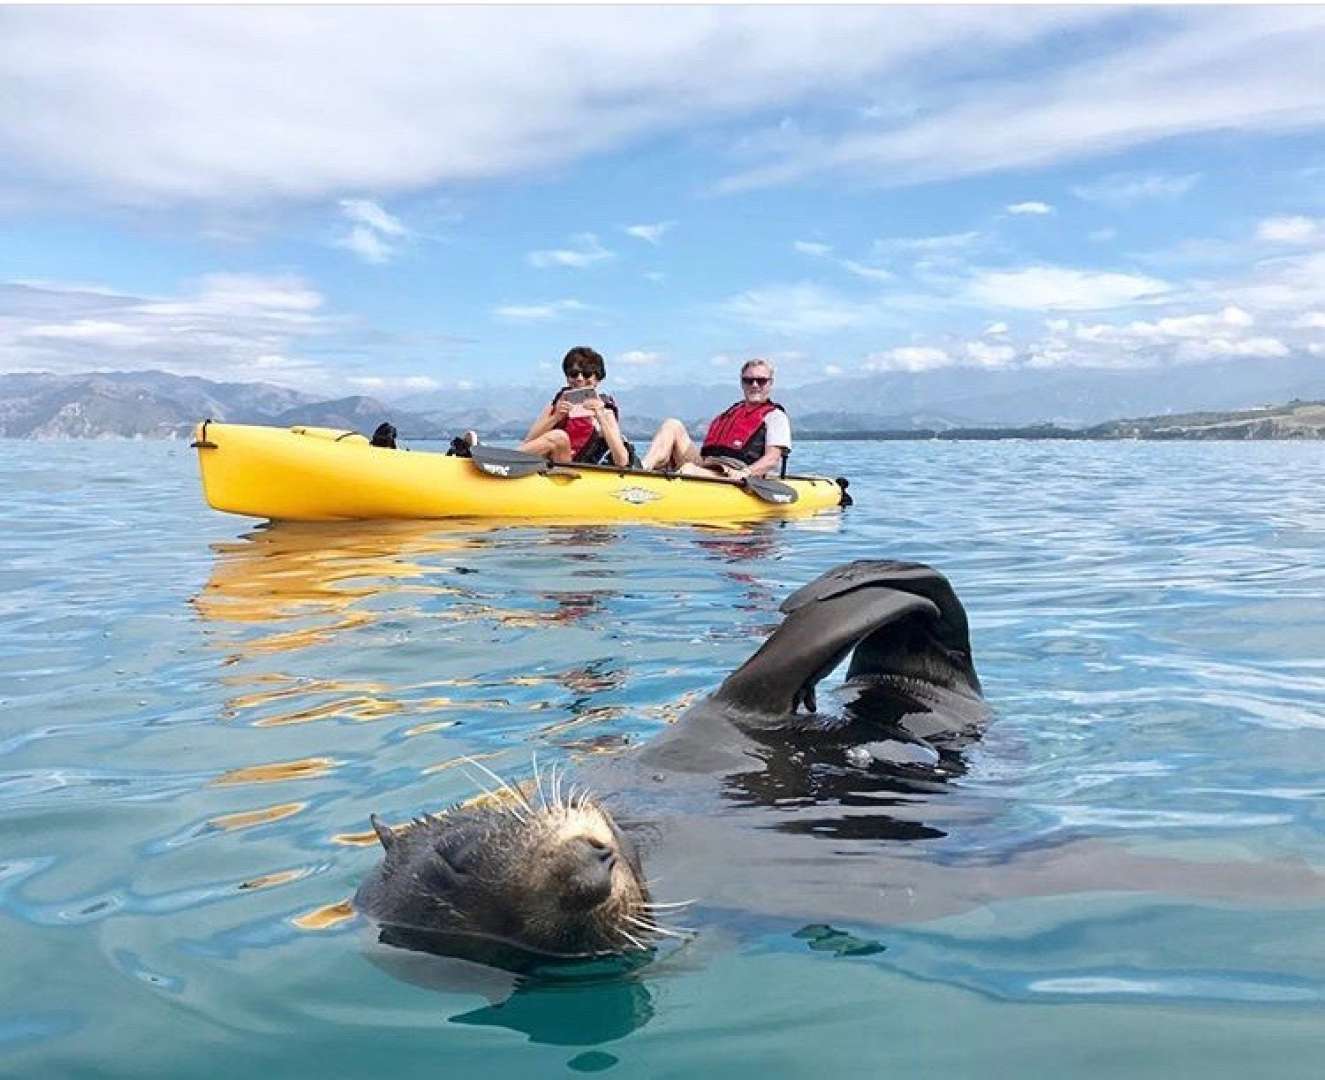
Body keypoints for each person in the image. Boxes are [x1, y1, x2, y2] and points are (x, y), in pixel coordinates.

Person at [640, 359, 790, 480]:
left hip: (736, 473)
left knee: (688, 470)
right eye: (748, 380)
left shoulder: (775, 417)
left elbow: (772, 459)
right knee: (672, 424)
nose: (754, 385)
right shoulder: (731, 413)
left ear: (770, 383)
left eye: (761, 381)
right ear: (742, 383)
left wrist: (746, 472)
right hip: (708, 466)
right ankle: (641, 469)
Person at [519, 346, 631, 467]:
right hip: (549, 465)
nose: (579, 378)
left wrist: (600, 417)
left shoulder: (606, 412)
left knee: (559, 437)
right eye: (573, 374)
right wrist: (555, 418)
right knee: (558, 436)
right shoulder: (557, 404)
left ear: (597, 379)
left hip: (577, 471)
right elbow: (528, 442)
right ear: (567, 378)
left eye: (587, 374)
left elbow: (622, 461)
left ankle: (504, 461)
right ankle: (504, 463)